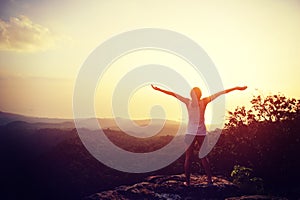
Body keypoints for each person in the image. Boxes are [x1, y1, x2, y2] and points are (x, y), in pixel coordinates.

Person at [151, 84, 247, 186]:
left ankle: (187, 182)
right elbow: (221, 93)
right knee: (203, 157)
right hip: (201, 133)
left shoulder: (188, 101)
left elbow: (172, 94)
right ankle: (209, 180)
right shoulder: (204, 101)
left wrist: (158, 89)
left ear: (191, 95)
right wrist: (236, 88)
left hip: (190, 133)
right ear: (200, 95)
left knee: (188, 157)